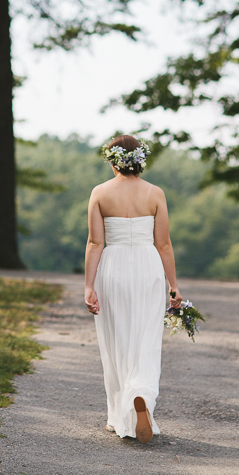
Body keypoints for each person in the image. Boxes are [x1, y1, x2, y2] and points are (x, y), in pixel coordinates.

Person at [83, 134, 182, 444]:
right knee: (145, 338)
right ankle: (140, 394)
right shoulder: (155, 193)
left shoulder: (100, 193)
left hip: (112, 270)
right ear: (141, 159)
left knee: (115, 340)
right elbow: (163, 243)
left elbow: (96, 242)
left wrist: (88, 285)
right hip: (147, 269)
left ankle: (118, 414)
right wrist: (174, 287)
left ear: (113, 161)